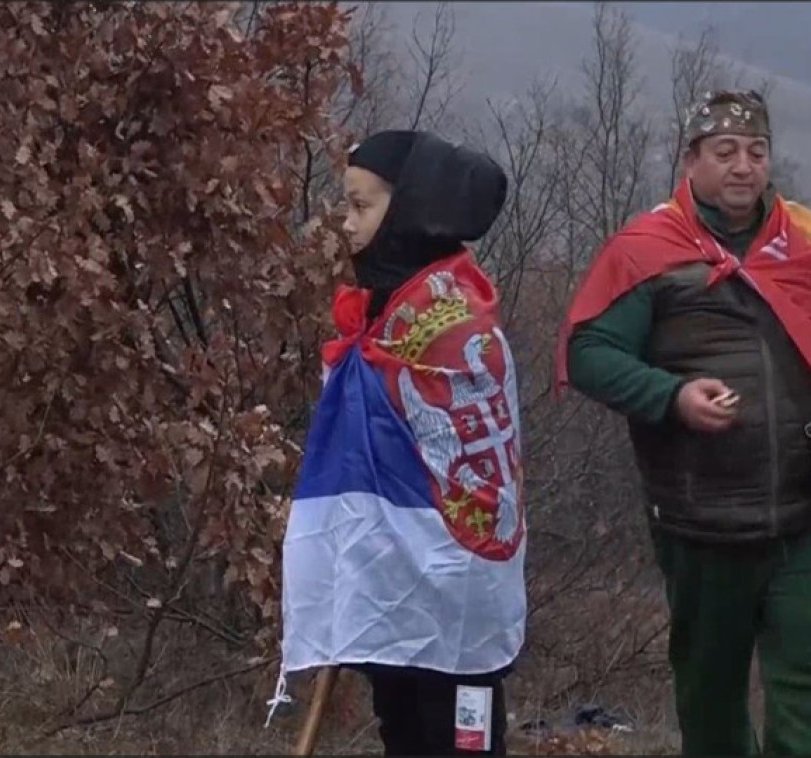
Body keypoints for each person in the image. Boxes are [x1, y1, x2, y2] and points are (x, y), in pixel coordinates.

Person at [555, 89, 811, 756]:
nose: (743, 167)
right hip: (704, 520)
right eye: (724, 152)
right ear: (691, 159)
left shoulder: (803, 240)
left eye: (756, 152)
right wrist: (672, 397)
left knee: (805, 690)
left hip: (802, 515)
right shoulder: (648, 250)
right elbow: (588, 353)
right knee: (711, 694)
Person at [271, 130, 526, 756]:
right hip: (393, 572)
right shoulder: (381, 313)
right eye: (346, 207)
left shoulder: (450, 318)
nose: (348, 226)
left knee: (457, 735)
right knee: (404, 728)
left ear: (410, 210)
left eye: (362, 208)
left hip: (451, 579)